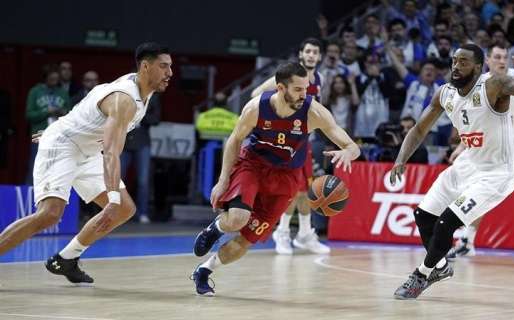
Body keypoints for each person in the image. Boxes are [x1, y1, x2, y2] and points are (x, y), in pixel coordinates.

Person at [0, 42, 172, 283]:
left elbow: (91, 101)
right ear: (145, 67)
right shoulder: (124, 99)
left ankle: (67, 258)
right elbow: (112, 153)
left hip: (87, 150)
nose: (170, 73)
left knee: (125, 209)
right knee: (50, 214)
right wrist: (110, 198)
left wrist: (63, 125)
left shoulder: (145, 88)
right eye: (163, 66)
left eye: (170, 66)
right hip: (64, 147)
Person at [389, 44, 514, 299]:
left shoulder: (493, 86)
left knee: (446, 223)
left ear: (477, 66)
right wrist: (400, 159)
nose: (456, 66)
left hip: (496, 174)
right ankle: (440, 267)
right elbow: (419, 129)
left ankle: (420, 275)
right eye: (454, 61)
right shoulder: (445, 93)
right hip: (468, 164)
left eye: (463, 62)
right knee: (423, 216)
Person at [191, 62, 360, 295]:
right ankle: (216, 228)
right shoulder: (256, 108)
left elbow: (351, 145)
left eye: (307, 88)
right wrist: (222, 181)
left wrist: (348, 152)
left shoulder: (313, 112)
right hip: (254, 165)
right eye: (299, 89)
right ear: (281, 88)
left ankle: (204, 270)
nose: (305, 94)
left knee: (246, 241)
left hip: (286, 176)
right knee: (238, 218)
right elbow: (234, 140)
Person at [446, 43, 514, 268]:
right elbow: (477, 126)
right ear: (487, 61)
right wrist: (461, 147)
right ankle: (467, 241)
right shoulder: (480, 86)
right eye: (497, 57)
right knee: (484, 192)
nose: (502, 61)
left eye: (505, 57)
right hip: (503, 150)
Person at [252, 38, 331, 254]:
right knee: (293, 190)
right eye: (308, 51)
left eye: (315, 52)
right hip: (285, 142)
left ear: (320, 56)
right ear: (301, 54)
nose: (311, 55)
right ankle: (283, 232)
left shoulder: (320, 79)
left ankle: (305, 234)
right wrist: (275, 121)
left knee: (305, 191)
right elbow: (255, 94)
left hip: (305, 141)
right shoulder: (287, 77)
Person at [120, 94, 161, 224]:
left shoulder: (153, 98)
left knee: (143, 180)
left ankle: (142, 212)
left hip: (142, 142)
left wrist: (140, 115)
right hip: (124, 142)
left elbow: (156, 119)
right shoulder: (125, 94)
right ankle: (117, 212)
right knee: (118, 179)